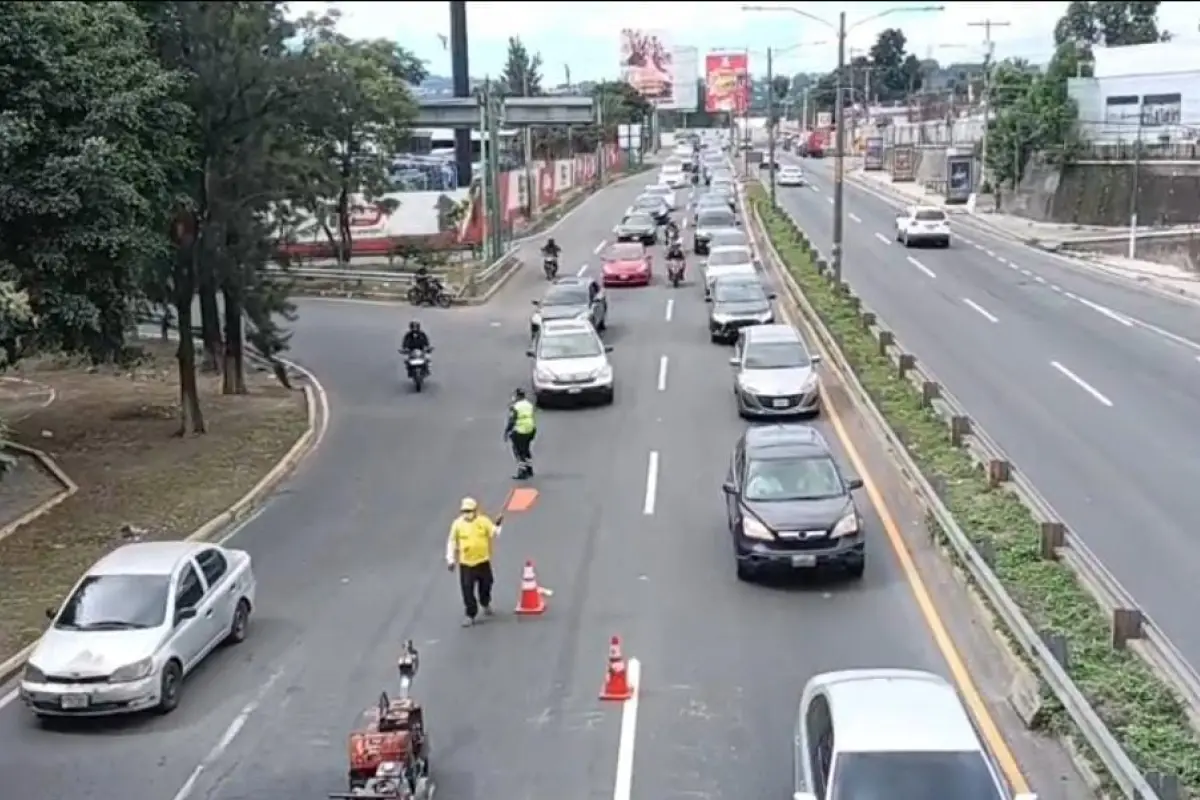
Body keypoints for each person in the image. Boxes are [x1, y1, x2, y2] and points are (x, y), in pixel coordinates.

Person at [445, 497, 502, 626]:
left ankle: (485, 602)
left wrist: (498, 524)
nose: (467, 514)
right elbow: (452, 542)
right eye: (465, 511)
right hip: (466, 564)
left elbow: (494, 533)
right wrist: (451, 559)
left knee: (487, 584)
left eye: (470, 511)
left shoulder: (483, 521)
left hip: (482, 561)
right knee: (467, 590)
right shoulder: (457, 524)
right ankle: (470, 614)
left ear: (475, 510)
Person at [504, 388, 537, 479]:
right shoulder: (529, 405)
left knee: (518, 452)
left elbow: (512, 421)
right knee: (526, 450)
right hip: (530, 430)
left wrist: (507, 431)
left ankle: (522, 472)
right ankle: (529, 469)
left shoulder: (516, 407)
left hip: (520, 431)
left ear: (517, 396)